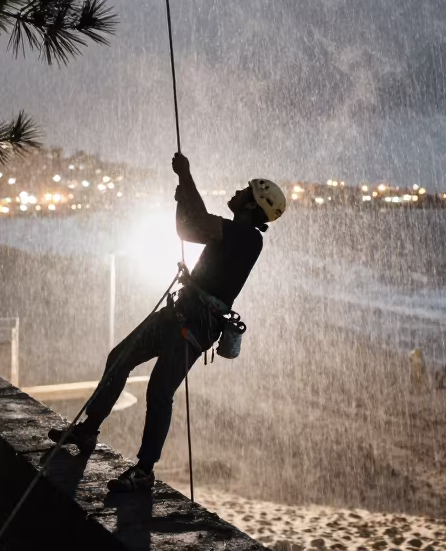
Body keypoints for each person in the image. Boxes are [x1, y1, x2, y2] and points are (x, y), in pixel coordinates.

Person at [48, 153, 286, 492]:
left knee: (159, 390)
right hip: (183, 315)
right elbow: (189, 226)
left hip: (195, 325)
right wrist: (183, 191)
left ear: (252, 205)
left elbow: (196, 224)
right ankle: (88, 431)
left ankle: (145, 470)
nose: (237, 192)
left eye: (244, 192)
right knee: (119, 357)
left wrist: (186, 178)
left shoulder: (248, 238)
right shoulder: (235, 232)